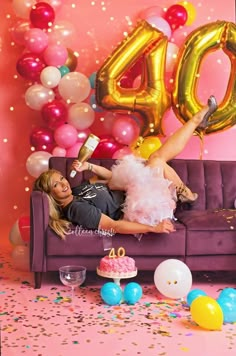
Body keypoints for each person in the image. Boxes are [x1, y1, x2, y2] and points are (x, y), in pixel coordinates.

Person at [33, 96, 218, 239]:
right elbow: (114, 226)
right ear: (51, 195)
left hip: (136, 189)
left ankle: (196, 125)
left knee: (156, 159)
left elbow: (112, 178)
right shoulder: (76, 209)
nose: (63, 182)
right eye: (56, 184)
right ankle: (186, 191)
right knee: (156, 161)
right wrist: (153, 228)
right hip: (140, 208)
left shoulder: (78, 190)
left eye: (61, 178)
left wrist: (87, 166)